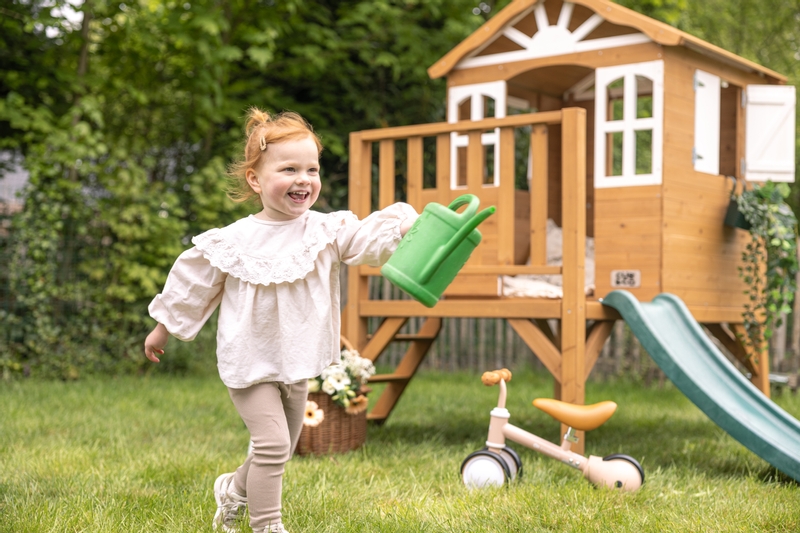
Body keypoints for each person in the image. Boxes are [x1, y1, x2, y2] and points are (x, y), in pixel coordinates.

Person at [143, 108, 418, 533]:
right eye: (289, 168)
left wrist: (398, 227)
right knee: (272, 445)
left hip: (295, 359)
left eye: (312, 168)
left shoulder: (326, 230)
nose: (303, 179)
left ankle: (232, 490)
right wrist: (164, 326)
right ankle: (268, 525)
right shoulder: (233, 241)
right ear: (255, 179)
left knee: (281, 448)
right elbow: (192, 283)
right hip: (249, 361)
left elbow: (365, 239)